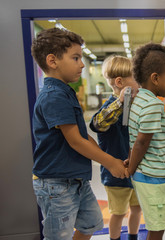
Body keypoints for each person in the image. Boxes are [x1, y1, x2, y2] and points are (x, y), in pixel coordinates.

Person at [31, 28, 128, 240]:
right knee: (59, 236)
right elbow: (75, 141)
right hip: (56, 182)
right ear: (52, 61)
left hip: (75, 179)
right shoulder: (54, 96)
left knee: (91, 222)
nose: (82, 64)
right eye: (76, 58)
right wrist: (110, 162)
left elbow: (84, 138)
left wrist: (109, 159)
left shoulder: (66, 91)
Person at [126, 43, 165, 240]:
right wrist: (130, 168)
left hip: (154, 173)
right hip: (151, 175)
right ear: (155, 78)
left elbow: (135, 138)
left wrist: (132, 163)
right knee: (158, 226)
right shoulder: (153, 104)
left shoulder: (139, 99)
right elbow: (140, 142)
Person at [90, 55, 141, 240]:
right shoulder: (109, 109)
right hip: (116, 174)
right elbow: (98, 123)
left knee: (137, 209)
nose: (140, 83)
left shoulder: (135, 106)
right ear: (120, 82)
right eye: (137, 78)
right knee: (118, 213)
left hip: (136, 171)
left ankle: (133, 237)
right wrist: (120, 102)